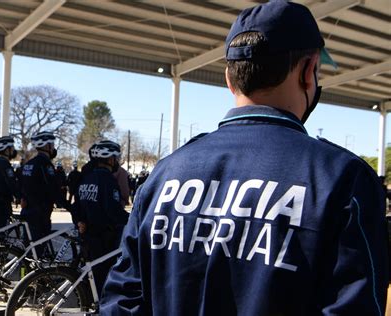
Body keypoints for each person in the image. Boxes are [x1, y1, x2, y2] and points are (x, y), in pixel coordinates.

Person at [100, 1, 389, 315]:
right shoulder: (343, 178)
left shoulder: (166, 172)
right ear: (308, 72)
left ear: (229, 77)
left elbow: (121, 301)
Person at [73, 140, 129, 296]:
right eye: (116, 158)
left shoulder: (87, 178)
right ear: (110, 159)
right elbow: (114, 211)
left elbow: (76, 205)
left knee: (91, 275)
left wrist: (79, 221)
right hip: (104, 237)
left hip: (87, 234)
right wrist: (133, 220)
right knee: (104, 276)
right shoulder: (108, 181)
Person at [21, 131, 69, 248]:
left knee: (29, 248)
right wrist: (69, 206)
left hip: (28, 211)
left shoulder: (29, 164)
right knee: (38, 249)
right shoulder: (45, 164)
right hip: (40, 214)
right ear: (46, 146)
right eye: (52, 145)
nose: (54, 148)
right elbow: (53, 189)